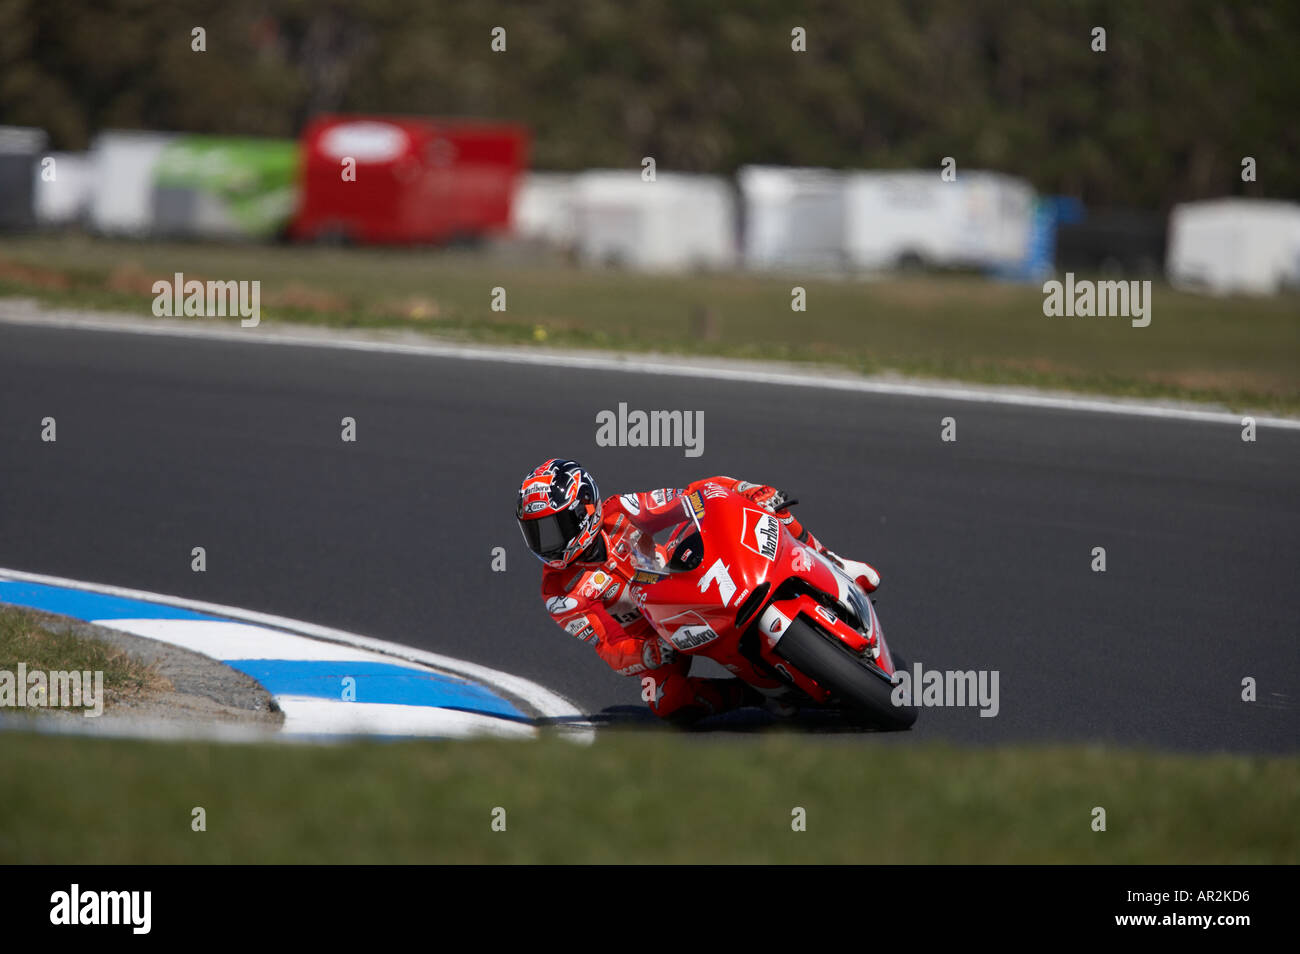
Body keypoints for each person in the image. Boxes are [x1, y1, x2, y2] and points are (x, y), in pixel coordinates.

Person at [515, 458, 881, 725]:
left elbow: (687, 500)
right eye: (537, 532)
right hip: (655, 633)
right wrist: (648, 652)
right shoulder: (559, 594)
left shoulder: (620, 510)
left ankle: (832, 560)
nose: (548, 543)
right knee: (667, 703)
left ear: (586, 510)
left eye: (554, 527)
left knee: (743, 493)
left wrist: (738, 494)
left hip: (676, 578)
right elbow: (609, 646)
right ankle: (753, 694)